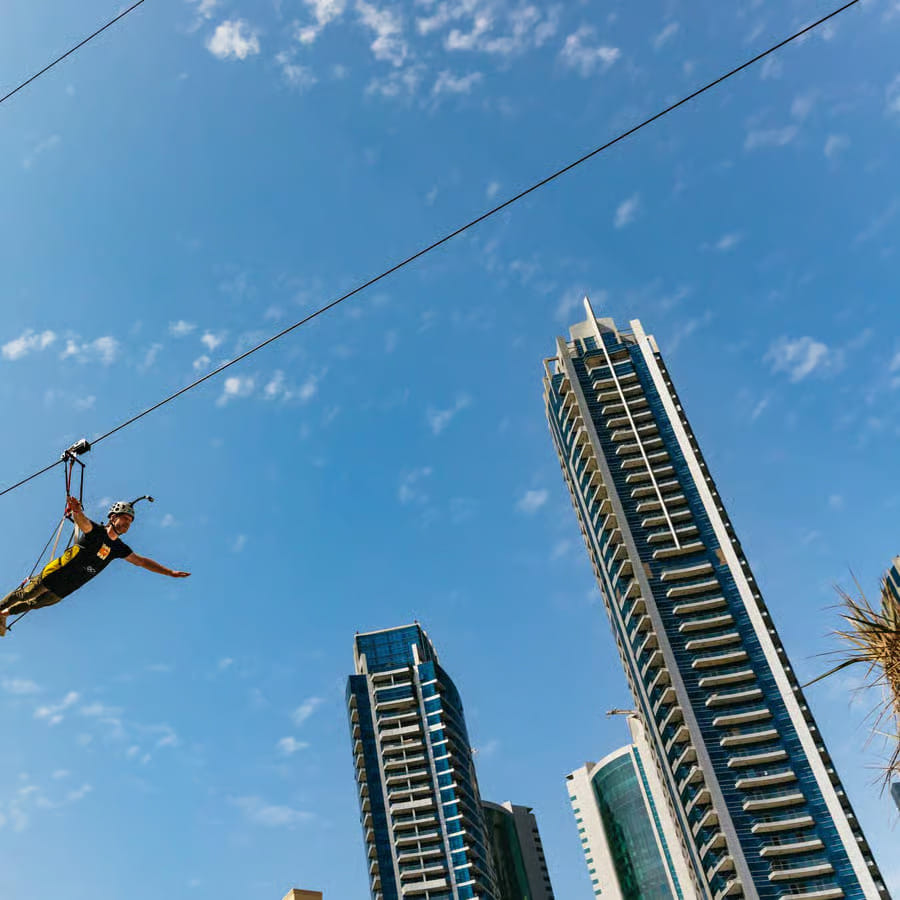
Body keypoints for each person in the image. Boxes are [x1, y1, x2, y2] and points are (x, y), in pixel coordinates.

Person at [0, 496, 189, 636]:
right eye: (125, 518)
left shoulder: (118, 548)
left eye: (130, 521)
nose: (128, 524)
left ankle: (4, 614)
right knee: (26, 594)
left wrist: (169, 572)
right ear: (113, 517)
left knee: (35, 604)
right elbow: (82, 521)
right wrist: (76, 510)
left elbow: (142, 562)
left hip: (69, 586)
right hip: (58, 573)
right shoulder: (96, 532)